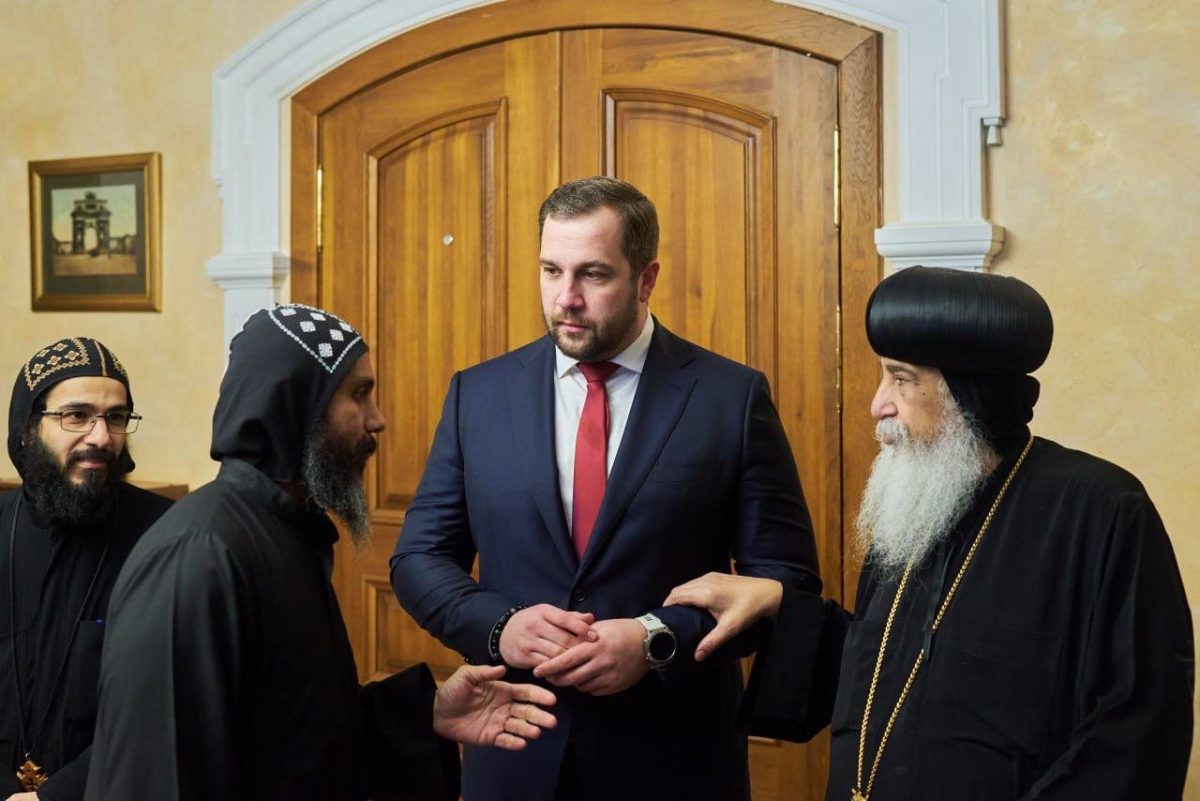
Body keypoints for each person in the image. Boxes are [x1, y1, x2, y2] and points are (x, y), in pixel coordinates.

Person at [666, 266, 1194, 800]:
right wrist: (781, 603)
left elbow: (1137, 726)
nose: (878, 404)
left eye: (901, 379)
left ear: (970, 391)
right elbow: (895, 670)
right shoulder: (915, 501)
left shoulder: (1100, 508)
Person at [391, 176, 821, 801]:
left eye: (593, 275)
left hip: (676, 760)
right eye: (551, 271)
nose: (566, 298)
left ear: (646, 279)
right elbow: (418, 558)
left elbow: (785, 581)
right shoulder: (477, 394)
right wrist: (500, 626)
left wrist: (655, 639)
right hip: (514, 751)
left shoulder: (730, 398)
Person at [83, 305, 558, 801]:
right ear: (295, 407)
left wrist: (427, 713)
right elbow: (158, 774)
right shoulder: (199, 554)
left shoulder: (286, 535)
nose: (377, 420)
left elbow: (299, 738)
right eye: (358, 394)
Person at [0, 338, 173, 801]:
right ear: (27, 429)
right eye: (76, 416)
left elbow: (163, 704)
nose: (101, 437)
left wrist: (54, 797)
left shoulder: (165, 537)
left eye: (116, 418)